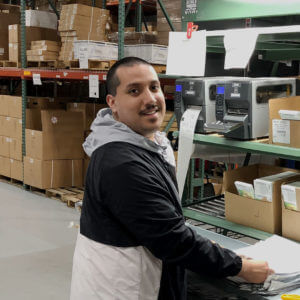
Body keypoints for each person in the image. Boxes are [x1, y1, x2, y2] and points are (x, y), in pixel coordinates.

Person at [70, 57, 272, 300]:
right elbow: (172, 239)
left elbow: (162, 221)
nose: (150, 99)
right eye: (134, 91)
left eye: (154, 88)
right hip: (126, 288)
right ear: (113, 103)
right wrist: (242, 268)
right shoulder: (121, 163)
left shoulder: (147, 142)